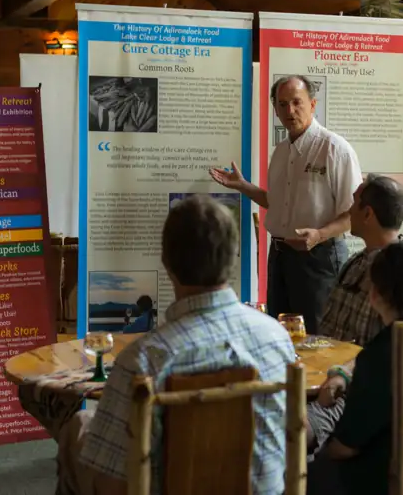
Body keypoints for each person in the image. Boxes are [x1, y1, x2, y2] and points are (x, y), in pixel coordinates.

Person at [20, 195, 296, 495]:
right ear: (233, 257)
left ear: (167, 263)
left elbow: (113, 486)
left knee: (78, 431)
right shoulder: (277, 338)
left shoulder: (144, 361)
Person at [305, 237, 403, 495]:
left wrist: (320, 446)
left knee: (298, 470)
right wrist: (345, 374)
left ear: (375, 293)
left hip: (384, 481)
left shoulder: (384, 352)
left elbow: (346, 447)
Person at [210, 75, 362, 333]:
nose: (289, 111)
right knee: (280, 333)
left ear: (312, 104)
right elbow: (276, 203)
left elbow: (354, 213)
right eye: (282, 104)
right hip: (279, 256)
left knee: (317, 338)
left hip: (319, 256)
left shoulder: (335, 149)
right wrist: (243, 186)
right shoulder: (281, 151)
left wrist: (319, 235)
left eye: (296, 102)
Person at [319, 173, 403, 346]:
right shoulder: (356, 262)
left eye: (354, 203)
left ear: (368, 214)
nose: (350, 211)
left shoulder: (401, 272)